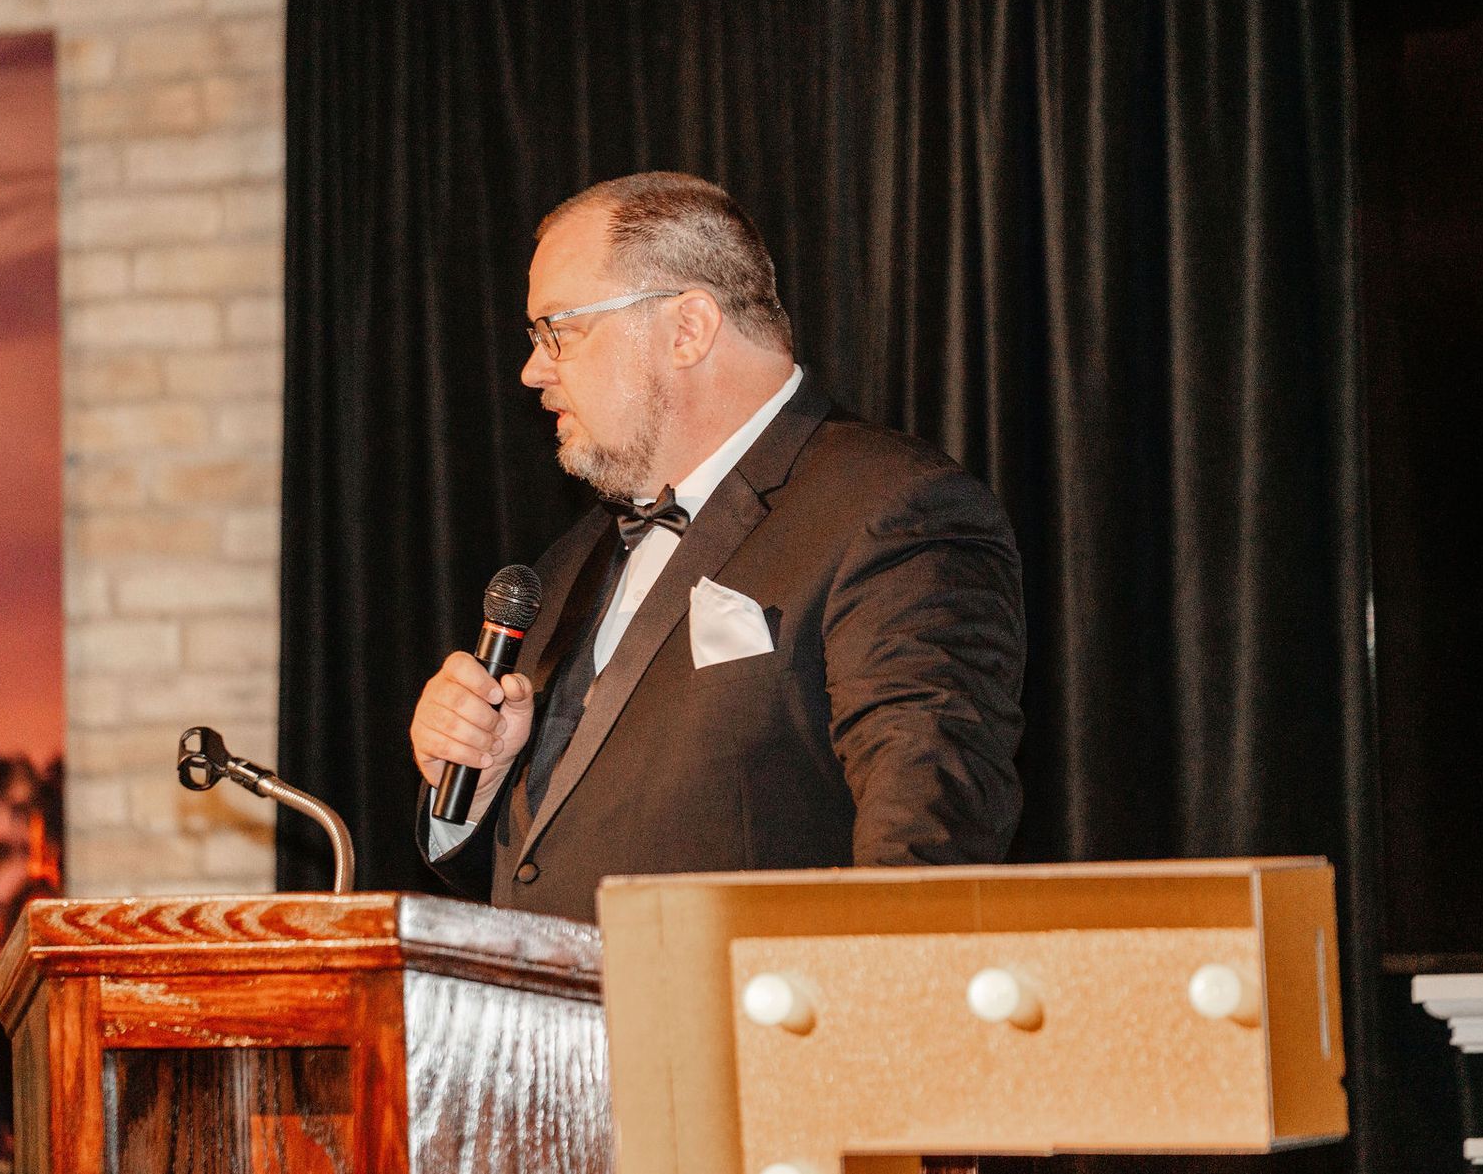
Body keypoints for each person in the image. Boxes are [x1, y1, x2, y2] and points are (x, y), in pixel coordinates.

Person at [411, 172, 1025, 923]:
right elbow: (542, 868)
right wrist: (477, 789)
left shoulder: (893, 510)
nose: (533, 370)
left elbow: (926, 845)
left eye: (558, 330)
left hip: (751, 1031)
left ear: (688, 328)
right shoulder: (570, 562)